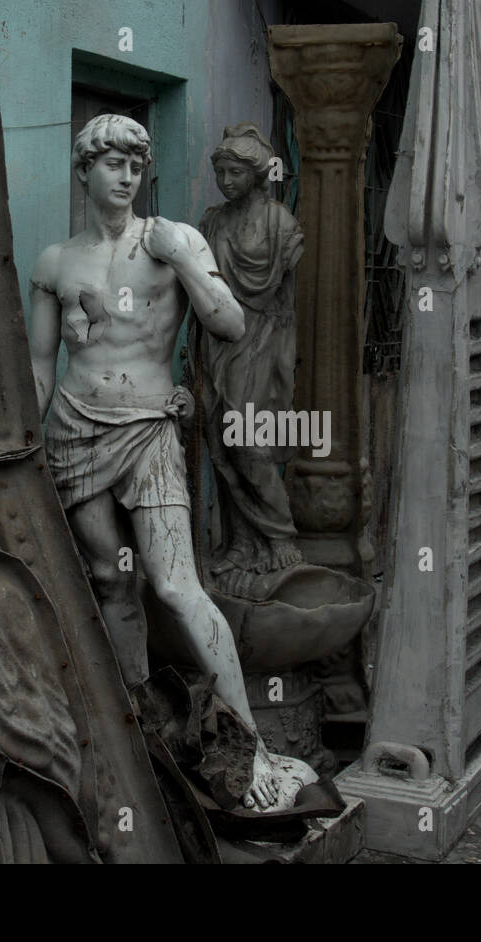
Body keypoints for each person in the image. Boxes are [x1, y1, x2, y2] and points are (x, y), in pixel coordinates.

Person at [27, 114, 315, 811]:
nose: (127, 176)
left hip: (151, 430)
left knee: (178, 585)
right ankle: (136, 731)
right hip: (73, 429)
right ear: (85, 171)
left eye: (136, 164)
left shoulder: (174, 241)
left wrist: (185, 261)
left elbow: (231, 321)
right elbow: (39, 363)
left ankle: (253, 745)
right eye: (113, 163)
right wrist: (21, 445)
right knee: (108, 579)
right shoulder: (55, 262)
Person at [198, 124, 304, 593]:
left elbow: (291, 299)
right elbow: (198, 287)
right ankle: (241, 541)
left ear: (256, 173)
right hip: (218, 343)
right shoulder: (211, 221)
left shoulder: (281, 224)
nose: (225, 179)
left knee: (250, 443)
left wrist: (282, 355)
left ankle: (280, 536)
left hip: (262, 341)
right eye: (220, 171)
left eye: (234, 171)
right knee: (220, 444)